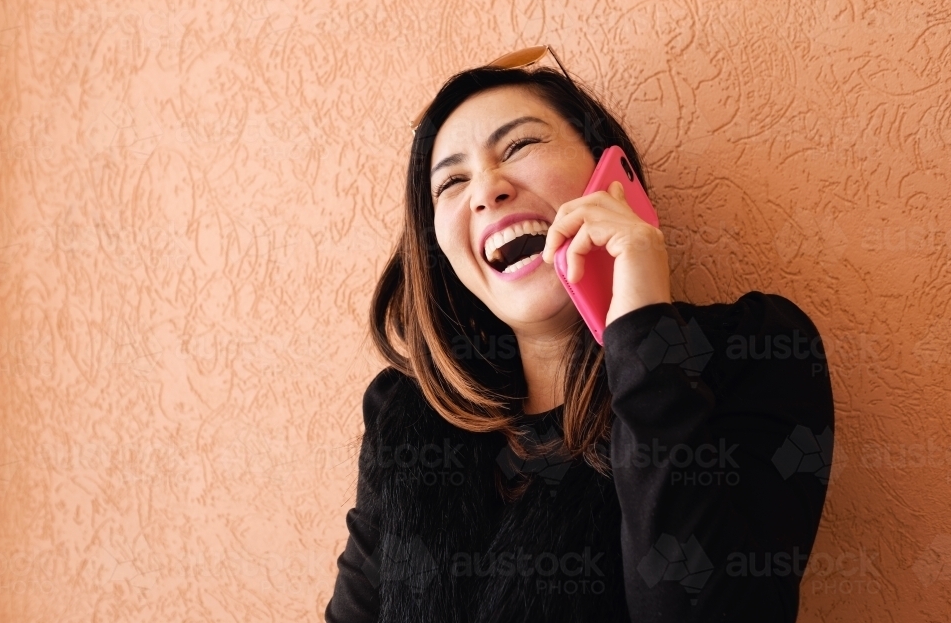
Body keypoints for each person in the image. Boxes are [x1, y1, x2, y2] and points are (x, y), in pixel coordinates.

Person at [325, 46, 834, 622]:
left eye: (519, 146)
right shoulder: (404, 411)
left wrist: (642, 328)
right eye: (451, 182)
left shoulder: (755, 351)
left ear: (613, 176)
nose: (486, 190)